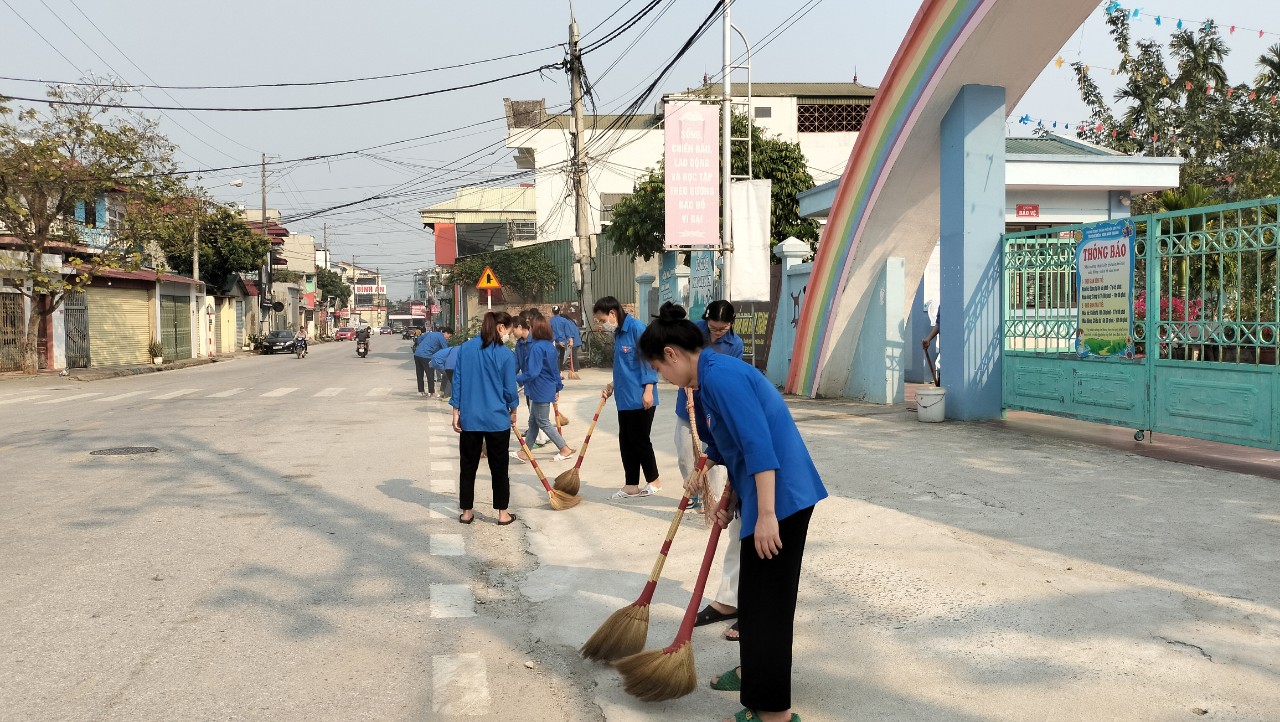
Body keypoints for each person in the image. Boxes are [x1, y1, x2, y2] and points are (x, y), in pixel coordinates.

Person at [639, 302, 827, 722]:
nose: (663, 378)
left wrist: (766, 515)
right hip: (762, 495)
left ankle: (774, 714)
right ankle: (753, 677)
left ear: (671, 354)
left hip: (782, 498)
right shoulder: (706, 380)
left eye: (659, 369)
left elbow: (759, 446)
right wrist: (734, 501)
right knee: (755, 603)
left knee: (768, 607)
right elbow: (732, 446)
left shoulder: (721, 376)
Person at [675, 301, 745, 642]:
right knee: (739, 534)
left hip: (764, 476)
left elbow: (749, 445)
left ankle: (755, 609)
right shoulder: (704, 383)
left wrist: (734, 496)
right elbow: (721, 442)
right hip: (736, 457)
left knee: (754, 538)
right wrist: (708, 464)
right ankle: (729, 600)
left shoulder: (722, 382)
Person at [450, 311, 519, 526]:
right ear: (501, 327)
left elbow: (457, 381)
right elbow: (509, 389)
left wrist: (456, 411)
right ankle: (502, 514)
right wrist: (514, 410)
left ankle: (467, 512)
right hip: (497, 419)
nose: (508, 335)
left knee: (468, 467)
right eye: (508, 330)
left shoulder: (465, 349)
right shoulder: (505, 354)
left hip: (470, 418)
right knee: (499, 468)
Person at [594, 295, 661, 498]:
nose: (602, 325)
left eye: (602, 320)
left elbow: (649, 361)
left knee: (640, 440)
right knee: (626, 441)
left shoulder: (636, 329)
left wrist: (648, 390)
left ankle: (654, 481)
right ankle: (631, 484)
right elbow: (625, 365)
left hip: (640, 397)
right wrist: (612, 385)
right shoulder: (618, 333)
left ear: (612, 313)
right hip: (624, 398)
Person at [515, 316, 575, 462]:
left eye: (532, 327)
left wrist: (517, 379)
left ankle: (564, 449)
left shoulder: (536, 347)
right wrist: (557, 387)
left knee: (542, 421)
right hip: (546, 387)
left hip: (540, 388)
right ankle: (525, 452)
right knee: (533, 421)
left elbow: (533, 372)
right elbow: (555, 370)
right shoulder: (550, 346)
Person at [512, 313, 547, 448]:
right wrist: (511, 377)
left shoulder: (536, 343)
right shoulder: (519, 345)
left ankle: (540, 438)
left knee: (538, 414)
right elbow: (516, 364)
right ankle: (538, 437)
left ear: (520, 327)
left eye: (513, 330)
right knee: (532, 410)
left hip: (538, 381)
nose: (512, 334)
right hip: (527, 382)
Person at [414, 326, 452, 397]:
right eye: (449, 336)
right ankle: (432, 392)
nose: (448, 338)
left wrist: (423, 346)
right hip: (426, 356)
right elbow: (445, 350)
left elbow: (419, 339)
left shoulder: (431, 333)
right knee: (430, 374)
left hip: (417, 354)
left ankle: (422, 391)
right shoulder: (442, 338)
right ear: (446, 333)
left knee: (419, 374)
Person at [549, 305, 582, 375]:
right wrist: (571, 341)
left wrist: (557, 341)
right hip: (564, 342)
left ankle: (557, 372)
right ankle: (560, 371)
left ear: (552, 312)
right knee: (562, 357)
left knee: (556, 357)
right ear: (559, 311)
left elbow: (550, 333)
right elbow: (568, 332)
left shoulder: (550, 321)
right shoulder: (564, 321)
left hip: (555, 342)